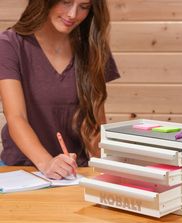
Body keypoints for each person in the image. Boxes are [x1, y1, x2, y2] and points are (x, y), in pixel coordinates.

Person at [0, 0, 120, 179]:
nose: (73, 14)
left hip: (74, 173)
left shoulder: (93, 47)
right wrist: (47, 163)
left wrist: (112, 162)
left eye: (84, 7)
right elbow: (17, 117)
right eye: (66, 2)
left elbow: (96, 124)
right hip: (21, 170)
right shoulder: (9, 44)